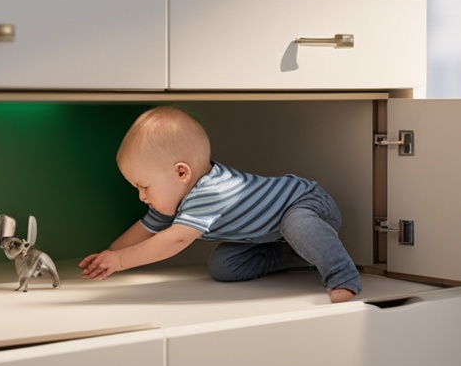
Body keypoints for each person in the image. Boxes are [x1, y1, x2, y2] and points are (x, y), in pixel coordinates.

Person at [79, 105, 361, 303]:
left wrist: (121, 261)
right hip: (271, 235)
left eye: (144, 186)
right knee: (224, 266)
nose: (141, 196)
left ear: (181, 173)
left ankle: (342, 275)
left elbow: (175, 240)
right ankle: (302, 255)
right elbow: (146, 228)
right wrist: (109, 256)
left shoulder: (211, 189)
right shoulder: (172, 200)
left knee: (297, 223)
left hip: (306, 203)